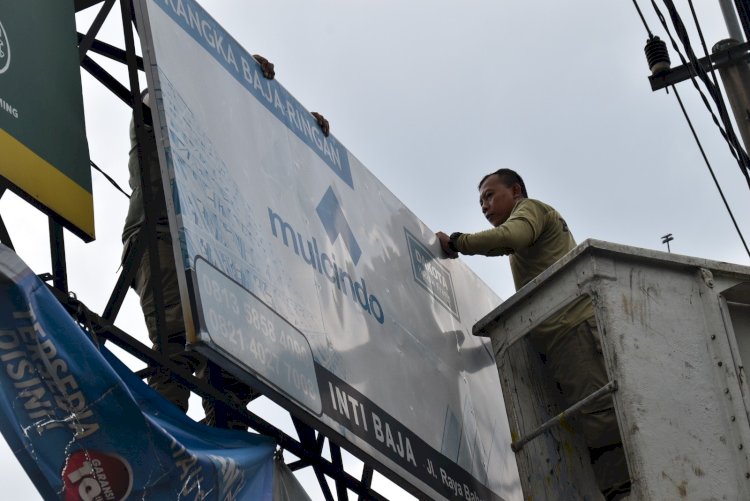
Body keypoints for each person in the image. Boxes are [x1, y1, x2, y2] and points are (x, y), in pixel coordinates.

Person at [122, 55, 330, 430]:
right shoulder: (156, 112)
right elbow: (162, 89)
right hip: (162, 238)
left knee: (232, 375)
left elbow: (268, 172)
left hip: (209, 255)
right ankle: (161, 447)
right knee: (176, 349)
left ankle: (225, 470)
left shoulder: (213, 148)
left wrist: (300, 139)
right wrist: (226, 71)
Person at [436, 168, 630, 500]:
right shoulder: (532, 219)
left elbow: (510, 238)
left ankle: (625, 492)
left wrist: (457, 242)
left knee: (601, 421)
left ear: (515, 191)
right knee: (592, 421)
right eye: (480, 200)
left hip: (572, 330)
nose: (484, 205)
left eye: (489, 195)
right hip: (564, 337)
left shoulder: (529, 209)